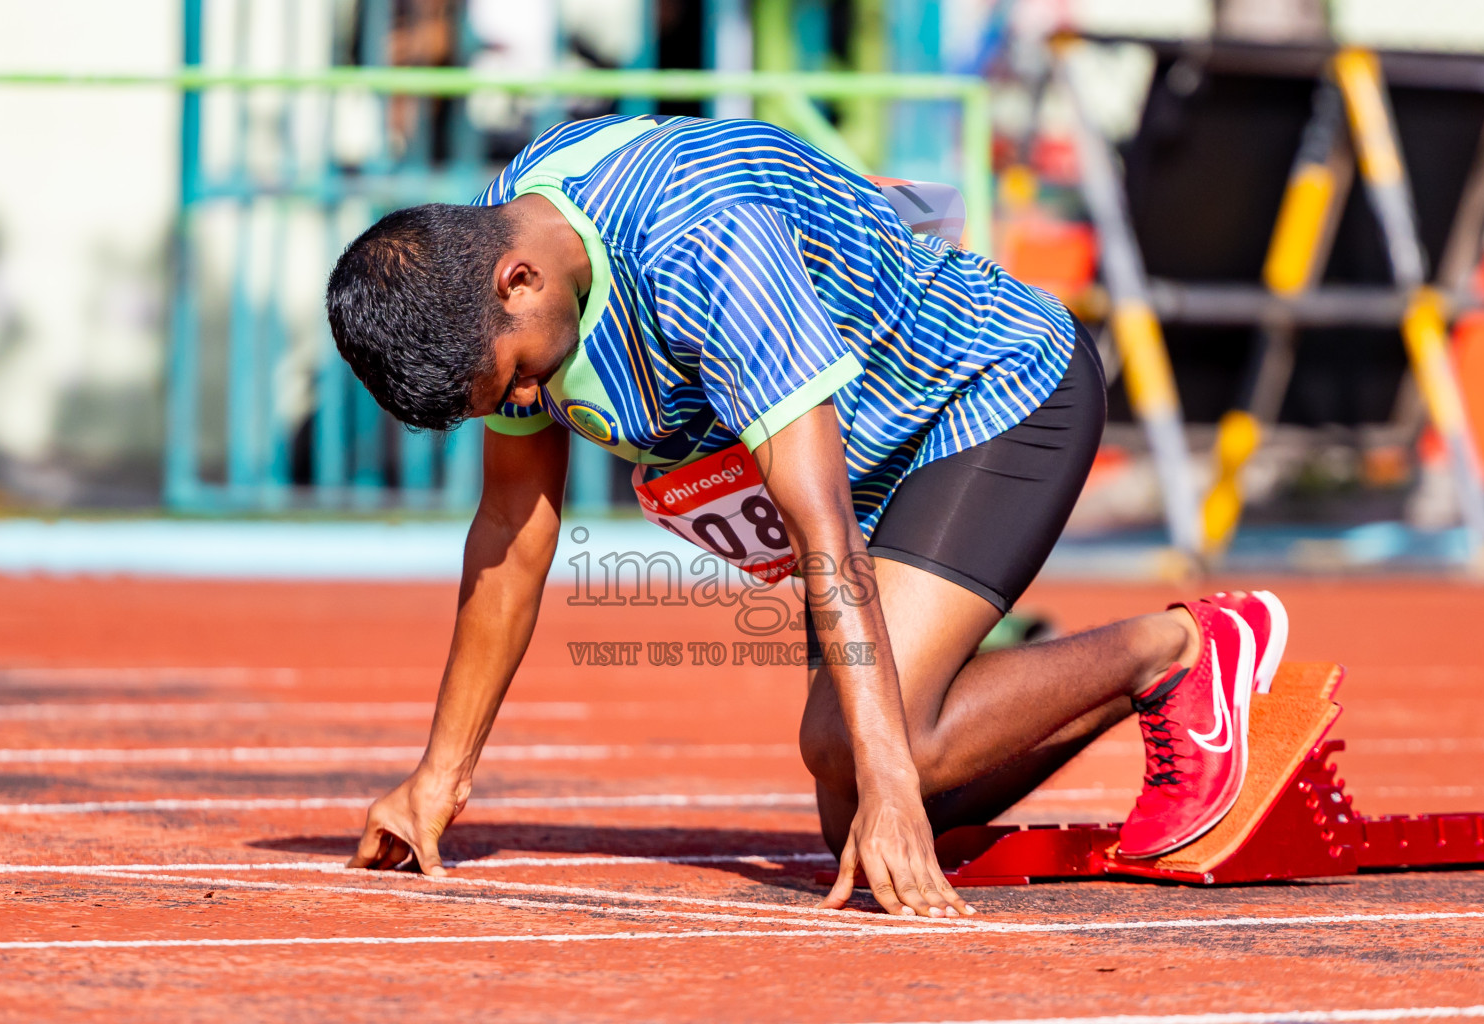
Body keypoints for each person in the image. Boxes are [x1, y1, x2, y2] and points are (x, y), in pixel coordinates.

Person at [325, 114, 1288, 918]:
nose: (529, 408)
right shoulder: (499, 240)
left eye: (523, 381)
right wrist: (439, 778)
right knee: (855, 807)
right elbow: (509, 531)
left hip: (991, 394)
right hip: (870, 452)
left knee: (886, 757)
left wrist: (893, 774)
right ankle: (1086, 688)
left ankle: (1183, 650)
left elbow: (821, 521)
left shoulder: (702, 243)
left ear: (517, 280)